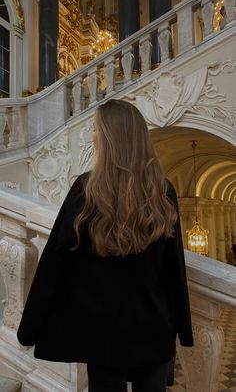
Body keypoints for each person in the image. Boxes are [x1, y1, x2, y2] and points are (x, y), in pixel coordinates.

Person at [17, 99, 193, 392]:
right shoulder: (163, 190)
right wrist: (182, 331)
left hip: (103, 335)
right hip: (154, 329)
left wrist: (28, 331)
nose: (92, 136)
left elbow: (53, 266)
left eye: (96, 129)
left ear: (110, 137)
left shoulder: (86, 191)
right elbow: (175, 269)